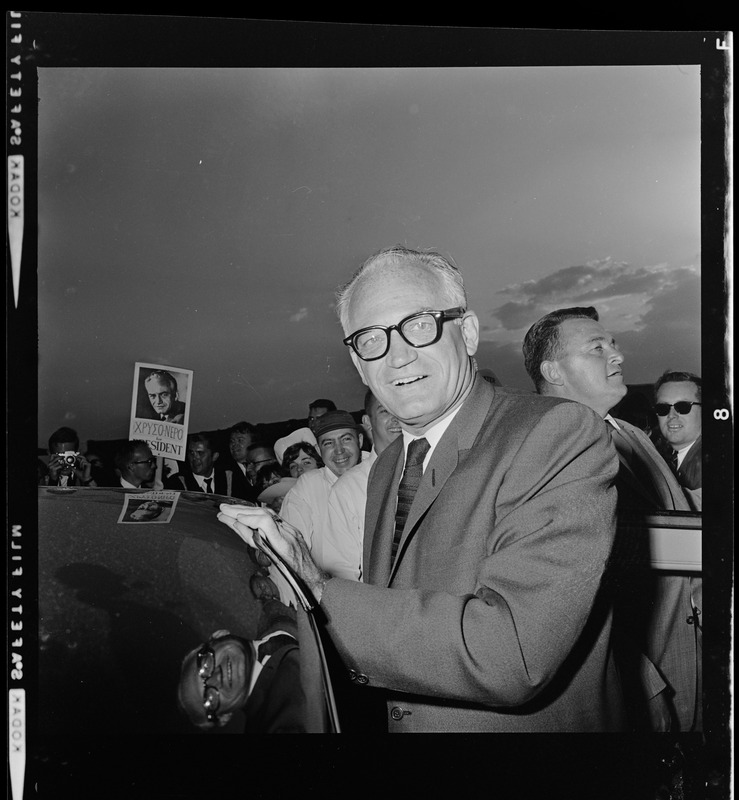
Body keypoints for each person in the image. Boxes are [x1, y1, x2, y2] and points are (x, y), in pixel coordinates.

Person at [220, 245, 624, 733]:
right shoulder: (389, 464)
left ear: (468, 332)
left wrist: (321, 593)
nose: (398, 355)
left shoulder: (556, 433)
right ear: (356, 361)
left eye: (419, 323)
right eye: (371, 338)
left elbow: (512, 654)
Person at [522, 305, 701, 733]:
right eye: (596, 348)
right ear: (554, 371)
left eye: (614, 345)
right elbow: (572, 594)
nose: (616, 356)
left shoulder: (629, 433)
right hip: (640, 672)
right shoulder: (548, 449)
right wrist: (645, 683)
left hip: (684, 646)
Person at [177, 600, 305, 734]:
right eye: (209, 699)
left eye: (206, 665)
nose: (216, 677)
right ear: (224, 717)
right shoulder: (280, 724)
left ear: (219, 635)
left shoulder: (274, 602)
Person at [323, 390, 402, 580]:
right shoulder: (348, 488)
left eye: (400, 408)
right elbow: (342, 570)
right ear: (367, 422)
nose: (397, 418)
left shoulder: (432, 468)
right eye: (385, 411)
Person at [278, 410, 364, 573]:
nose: (339, 450)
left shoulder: (379, 471)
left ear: (359, 440)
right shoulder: (309, 486)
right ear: (318, 449)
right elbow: (290, 545)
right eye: (328, 443)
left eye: (346, 439)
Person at [653, 370, 702, 509]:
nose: (671, 415)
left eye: (683, 407)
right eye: (663, 408)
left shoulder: (711, 462)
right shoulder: (666, 456)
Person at [166, 432, 233, 495]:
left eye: (200, 453)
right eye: (191, 453)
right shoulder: (176, 482)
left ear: (214, 456)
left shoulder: (228, 479)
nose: (195, 458)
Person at [227, 421, 261, 503]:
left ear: (253, 443)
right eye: (232, 441)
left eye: (240, 440)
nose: (234, 445)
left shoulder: (263, 467)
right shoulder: (226, 473)